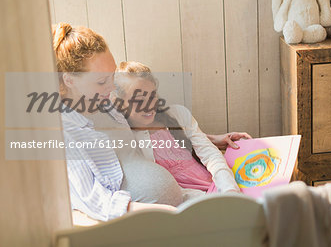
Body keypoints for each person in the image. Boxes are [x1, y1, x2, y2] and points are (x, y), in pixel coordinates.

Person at [52, 23, 250, 221]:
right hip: (153, 221)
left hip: (183, 203)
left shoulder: (105, 104)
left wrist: (207, 138)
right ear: (69, 80)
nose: (111, 87)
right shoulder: (65, 134)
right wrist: (171, 214)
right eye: (102, 81)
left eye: (112, 76)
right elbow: (98, 203)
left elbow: (153, 131)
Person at [112, 61, 245, 197]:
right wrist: (208, 199)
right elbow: (168, 192)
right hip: (193, 200)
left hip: (220, 184)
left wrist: (229, 189)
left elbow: (210, 153)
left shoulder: (178, 115)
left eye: (152, 96)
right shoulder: (129, 143)